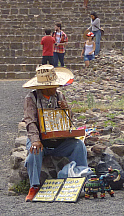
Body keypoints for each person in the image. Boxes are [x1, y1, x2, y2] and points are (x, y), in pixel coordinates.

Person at [22, 65, 87, 201]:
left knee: (78, 145)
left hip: (58, 140)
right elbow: (30, 121)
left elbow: (68, 119)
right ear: (44, 87)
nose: (56, 88)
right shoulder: (31, 98)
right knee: (35, 151)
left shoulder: (59, 95)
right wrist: (35, 139)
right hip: (40, 139)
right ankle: (34, 186)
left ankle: (81, 178)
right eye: (53, 86)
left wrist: (66, 109)